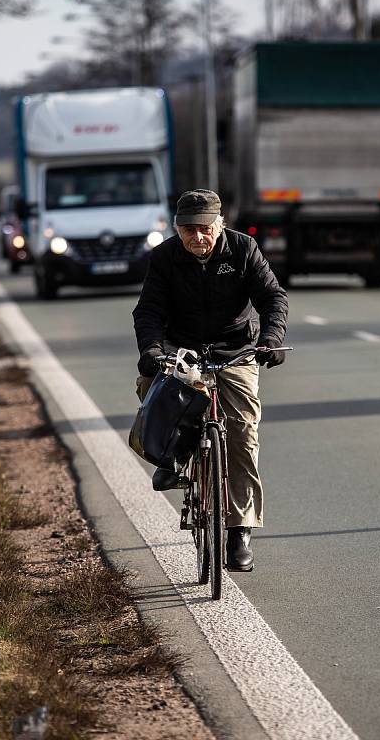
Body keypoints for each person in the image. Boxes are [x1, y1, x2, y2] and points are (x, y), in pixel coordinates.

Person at [132, 189, 289, 571]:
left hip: (234, 349)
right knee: (156, 391)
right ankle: (172, 456)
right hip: (181, 348)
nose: (197, 237)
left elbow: (272, 297)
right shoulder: (165, 257)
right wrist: (152, 351)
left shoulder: (243, 250)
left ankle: (240, 531)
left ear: (219, 225)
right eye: (188, 229)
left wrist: (270, 341)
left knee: (242, 433)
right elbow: (148, 310)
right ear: (177, 229)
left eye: (204, 229)